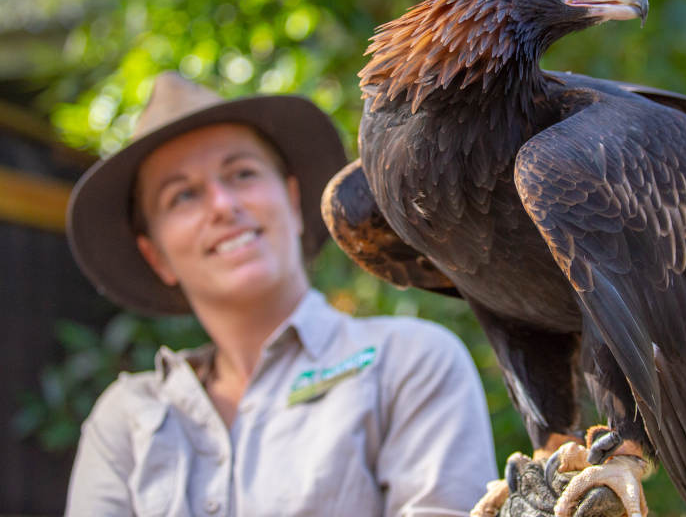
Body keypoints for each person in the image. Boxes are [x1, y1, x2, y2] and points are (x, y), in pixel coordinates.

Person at [63, 71, 498, 516]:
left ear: (292, 201)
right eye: (183, 197)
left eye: (242, 173)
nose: (223, 205)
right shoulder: (125, 421)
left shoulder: (408, 362)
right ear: (155, 255)